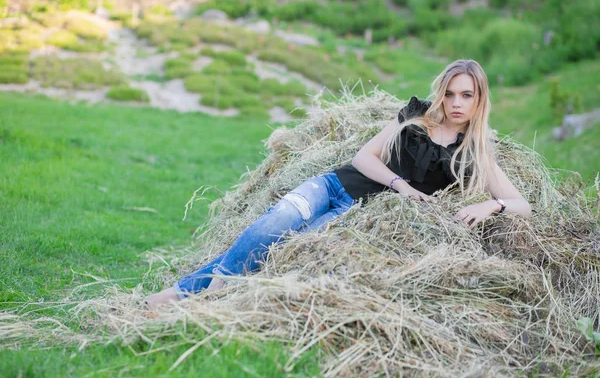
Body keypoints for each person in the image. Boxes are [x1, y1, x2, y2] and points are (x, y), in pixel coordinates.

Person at [145, 59, 532, 309]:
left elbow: (522, 204)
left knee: (280, 250)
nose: (456, 103)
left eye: (466, 95)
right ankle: (197, 295)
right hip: (332, 185)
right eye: (450, 93)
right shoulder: (417, 117)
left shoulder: (474, 153)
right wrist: (402, 185)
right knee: (270, 225)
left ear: (480, 99)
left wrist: (490, 205)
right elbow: (364, 158)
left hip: (355, 215)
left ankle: (181, 294)